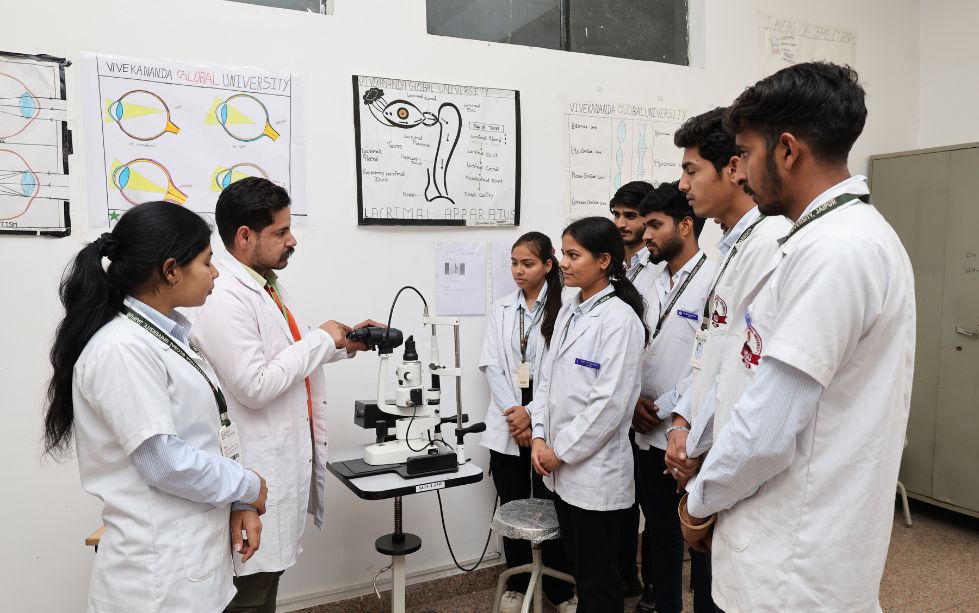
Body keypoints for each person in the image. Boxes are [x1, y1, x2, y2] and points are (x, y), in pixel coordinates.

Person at [679, 62, 916, 612]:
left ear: (786, 150)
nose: (740, 173)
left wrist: (699, 503)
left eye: (747, 154)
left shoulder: (837, 250)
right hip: (783, 542)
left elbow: (768, 425)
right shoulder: (827, 238)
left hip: (793, 564)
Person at [43, 201, 268, 613]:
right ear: (170, 270)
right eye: (207, 261)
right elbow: (163, 460)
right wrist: (249, 486)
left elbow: (207, 433)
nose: (216, 272)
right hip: (155, 581)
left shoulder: (170, 336)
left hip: (191, 559)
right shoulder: (122, 348)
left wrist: (238, 502)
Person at [190, 178, 379, 613]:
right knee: (249, 595)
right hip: (253, 473)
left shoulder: (266, 284)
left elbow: (284, 359)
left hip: (277, 470)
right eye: (280, 232)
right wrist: (319, 340)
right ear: (244, 236)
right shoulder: (224, 297)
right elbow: (255, 385)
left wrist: (342, 343)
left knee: (266, 584)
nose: (292, 240)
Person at [664, 107, 790, 488]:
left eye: (691, 170)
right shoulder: (732, 245)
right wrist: (683, 420)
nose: (682, 185)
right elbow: (710, 353)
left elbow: (745, 369)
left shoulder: (768, 243)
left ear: (733, 169)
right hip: (706, 443)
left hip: (733, 457)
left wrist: (693, 445)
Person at [529, 216, 647, 613]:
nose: (563, 262)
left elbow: (609, 406)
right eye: (564, 253)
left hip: (595, 475)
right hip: (562, 469)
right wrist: (541, 437)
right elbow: (546, 380)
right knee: (581, 570)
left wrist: (558, 451)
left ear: (603, 261)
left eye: (573, 254)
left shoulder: (620, 321)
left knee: (599, 582)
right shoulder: (568, 309)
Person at [630, 182, 716, 613]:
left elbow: (710, 361)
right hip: (642, 429)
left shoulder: (714, 279)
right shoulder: (644, 276)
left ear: (686, 225)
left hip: (688, 435)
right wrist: (633, 404)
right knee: (659, 533)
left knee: (697, 537)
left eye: (654, 226)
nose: (645, 236)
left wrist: (663, 409)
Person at [479, 231, 576, 613]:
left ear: (548, 265)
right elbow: (490, 364)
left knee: (554, 505)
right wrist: (515, 416)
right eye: (514, 263)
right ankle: (516, 584)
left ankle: (560, 589)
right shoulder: (501, 308)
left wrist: (532, 414)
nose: (519, 271)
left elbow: (562, 373)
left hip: (548, 419)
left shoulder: (567, 307)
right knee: (513, 503)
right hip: (508, 422)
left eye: (528, 264)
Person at [609, 180, 655, 597]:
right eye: (617, 214)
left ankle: (653, 587)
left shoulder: (659, 268)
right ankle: (625, 577)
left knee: (652, 508)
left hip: (648, 403)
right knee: (621, 501)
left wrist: (638, 394)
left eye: (631, 215)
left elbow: (651, 341)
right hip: (620, 399)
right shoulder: (616, 267)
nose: (621, 223)